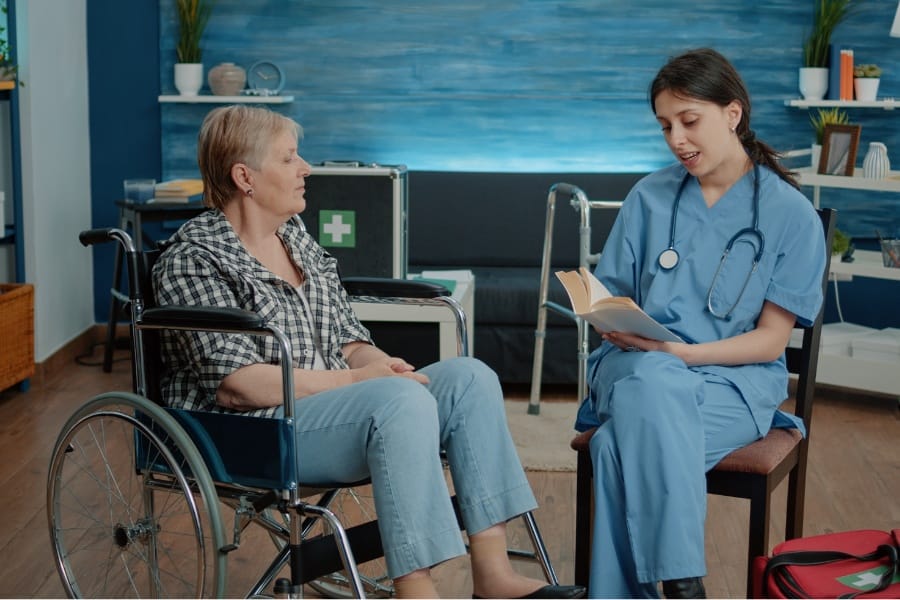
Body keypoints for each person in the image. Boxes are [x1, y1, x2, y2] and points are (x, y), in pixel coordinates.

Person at [152, 104, 585, 600]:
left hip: (331, 409)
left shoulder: (296, 240)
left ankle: (492, 574)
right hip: (257, 430)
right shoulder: (194, 259)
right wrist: (363, 383)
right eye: (290, 158)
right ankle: (416, 591)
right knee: (400, 402)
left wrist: (377, 363)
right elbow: (239, 386)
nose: (306, 168)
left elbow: (346, 337)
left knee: (470, 378)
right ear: (244, 176)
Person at [574, 48, 827, 598]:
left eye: (689, 121)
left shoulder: (792, 217)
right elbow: (610, 299)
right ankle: (684, 582)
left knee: (617, 448)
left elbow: (771, 341)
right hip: (634, 367)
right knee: (654, 382)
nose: (676, 140)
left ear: (732, 114)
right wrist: (615, 322)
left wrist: (682, 355)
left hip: (732, 383)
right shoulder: (649, 196)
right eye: (665, 126)